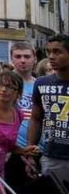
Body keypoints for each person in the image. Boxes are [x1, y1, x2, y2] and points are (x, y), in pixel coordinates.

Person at [29, 35, 69, 177]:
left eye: (57, 52)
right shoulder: (41, 83)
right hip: (51, 156)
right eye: (49, 52)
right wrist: (30, 153)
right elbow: (35, 118)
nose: (51, 57)